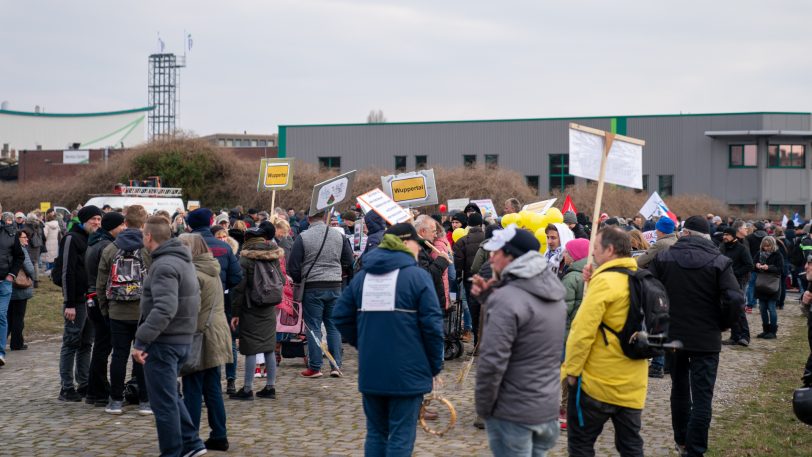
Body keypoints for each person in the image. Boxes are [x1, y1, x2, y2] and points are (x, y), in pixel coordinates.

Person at [333, 223, 444, 456]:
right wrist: (435, 366)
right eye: (417, 244)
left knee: (376, 432)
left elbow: (341, 315)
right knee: (402, 435)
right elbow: (433, 327)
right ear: (405, 244)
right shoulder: (418, 277)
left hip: (373, 368)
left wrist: (364, 343)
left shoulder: (363, 276)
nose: (420, 249)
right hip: (409, 371)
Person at [648, 216, 744, 457]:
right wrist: (723, 323)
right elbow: (734, 298)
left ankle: (683, 440)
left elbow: (648, 290)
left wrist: (659, 320)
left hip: (675, 335)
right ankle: (694, 448)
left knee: (679, 388)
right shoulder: (719, 260)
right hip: (705, 337)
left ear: (685, 233)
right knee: (702, 395)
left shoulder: (664, 257)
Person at [472, 225, 565, 456]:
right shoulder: (552, 291)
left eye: (496, 253)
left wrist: (484, 407)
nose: (491, 258)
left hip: (513, 413)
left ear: (511, 257)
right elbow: (530, 328)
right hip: (545, 408)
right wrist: (490, 298)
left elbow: (492, 361)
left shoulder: (506, 299)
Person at [563, 227, 647, 457]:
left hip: (598, 382)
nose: (593, 254)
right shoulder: (640, 279)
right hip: (633, 383)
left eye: (596, 249)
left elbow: (582, 332)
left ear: (609, 250)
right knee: (631, 447)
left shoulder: (605, 282)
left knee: (581, 444)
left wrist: (571, 371)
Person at [132, 216, 206, 457]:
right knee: (170, 396)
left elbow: (165, 308)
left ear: (149, 236)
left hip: (165, 342)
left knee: (163, 404)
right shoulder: (182, 261)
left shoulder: (164, 265)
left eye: (144, 233)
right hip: (181, 338)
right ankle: (192, 443)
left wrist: (141, 340)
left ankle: (173, 451)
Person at [177, 234, 232, 452]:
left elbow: (190, 309)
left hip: (200, 334)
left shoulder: (194, 273)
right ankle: (219, 434)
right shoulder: (212, 269)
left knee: (192, 387)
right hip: (216, 331)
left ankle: (189, 439)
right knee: (212, 388)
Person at [97, 206, 152, 415]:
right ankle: (145, 401)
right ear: (144, 223)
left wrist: (105, 309)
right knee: (142, 355)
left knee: (118, 355)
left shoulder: (111, 249)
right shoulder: (148, 248)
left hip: (117, 310)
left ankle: (116, 400)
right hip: (143, 311)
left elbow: (101, 283)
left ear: (125, 222)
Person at [287, 211, 354, 378]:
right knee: (332, 326)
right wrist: (338, 271)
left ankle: (315, 367)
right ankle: (335, 365)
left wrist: (300, 278)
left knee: (313, 327)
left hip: (312, 286)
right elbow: (349, 260)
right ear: (325, 218)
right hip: (335, 285)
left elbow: (293, 266)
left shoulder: (303, 237)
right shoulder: (339, 236)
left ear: (309, 219)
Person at [186, 208, 243, 394]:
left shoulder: (184, 244)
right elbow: (237, 276)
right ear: (210, 222)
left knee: (192, 340)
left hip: (189, 301)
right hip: (221, 299)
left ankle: (195, 384)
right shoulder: (224, 246)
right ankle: (229, 380)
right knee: (224, 338)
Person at [229, 225, 283, 398]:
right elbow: (280, 279)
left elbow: (239, 289)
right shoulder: (273, 255)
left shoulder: (245, 260)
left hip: (250, 307)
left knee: (251, 348)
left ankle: (247, 388)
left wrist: (235, 313)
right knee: (268, 347)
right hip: (269, 306)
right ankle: (270, 387)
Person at [58, 205, 103, 401]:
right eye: (94, 219)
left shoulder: (92, 239)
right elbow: (66, 271)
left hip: (90, 300)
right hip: (75, 301)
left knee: (86, 344)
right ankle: (66, 387)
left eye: (99, 219)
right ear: (84, 219)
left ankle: (83, 383)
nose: (97, 222)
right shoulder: (71, 238)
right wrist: (69, 302)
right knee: (71, 342)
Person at [84, 211, 126, 407]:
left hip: (92, 297)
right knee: (103, 346)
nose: (124, 229)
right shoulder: (106, 246)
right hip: (99, 298)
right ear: (113, 227)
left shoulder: (96, 242)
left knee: (101, 345)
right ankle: (99, 390)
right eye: (121, 225)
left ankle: (95, 389)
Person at [453, 211, 486, 344]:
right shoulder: (487, 238)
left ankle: (476, 342)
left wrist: (458, 276)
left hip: (469, 279)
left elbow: (458, 262)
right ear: (480, 224)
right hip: (487, 279)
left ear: (468, 225)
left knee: (473, 309)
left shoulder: (462, 241)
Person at [719, 226, 753, 346]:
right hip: (724, 282)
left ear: (733, 236)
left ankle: (745, 336)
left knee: (739, 308)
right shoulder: (722, 247)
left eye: (727, 235)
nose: (724, 237)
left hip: (738, 281)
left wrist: (734, 273)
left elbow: (749, 265)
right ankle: (734, 336)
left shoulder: (741, 249)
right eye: (724, 234)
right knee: (729, 308)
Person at [414, 215, 452, 309]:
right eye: (434, 232)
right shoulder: (417, 250)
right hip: (428, 305)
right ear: (423, 231)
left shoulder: (424, 247)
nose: (435, 235)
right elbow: (426, 277)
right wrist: (441, 260)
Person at [7, 229, 34, 351]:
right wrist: (32, 277)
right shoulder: (21, 250)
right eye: (24, 237)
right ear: (18, 239)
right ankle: (17, 343)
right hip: (20, 289)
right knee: (18, 317)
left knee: (8, 317)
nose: (26, 239)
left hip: (8, 287)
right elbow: (30, 269)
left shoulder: (6, 249)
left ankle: (4, 340)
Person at [754, 236, 783, 340]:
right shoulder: (759, 253)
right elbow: (753, 265)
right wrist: (756, 265)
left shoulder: (777, 254)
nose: (766, 248)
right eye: (765, 246)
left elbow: (780, 269)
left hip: (772, 285)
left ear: (772, 245)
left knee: (771, 308)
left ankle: (772, 331)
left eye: (768, 246)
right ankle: (765, 330)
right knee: (762, 309)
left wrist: (769, 267)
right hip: (761, 284)